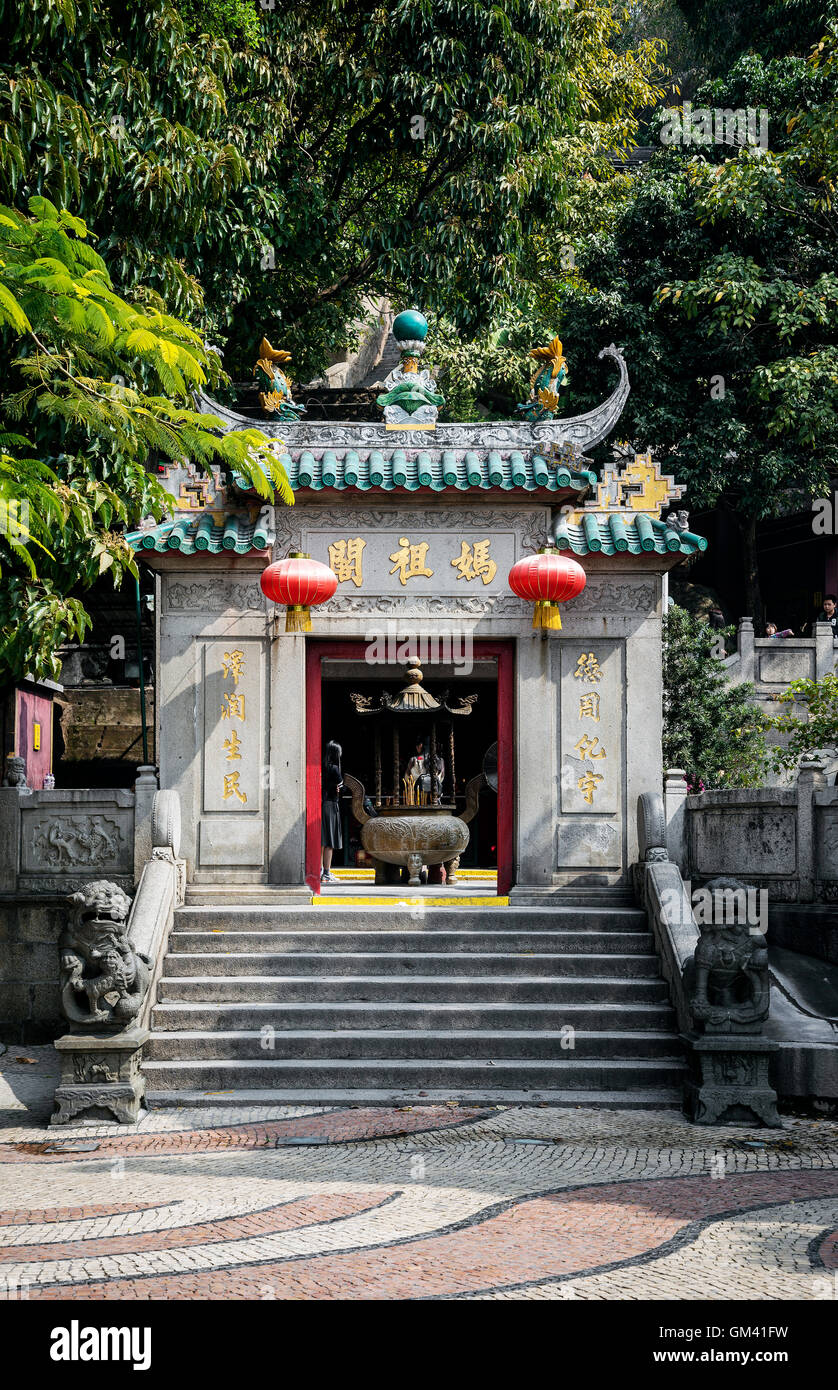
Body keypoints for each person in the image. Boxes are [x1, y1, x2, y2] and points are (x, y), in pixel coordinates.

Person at [321, 740, 343, 883]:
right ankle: (327, 873)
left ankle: (320, 871)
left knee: (322, 841)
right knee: (329, 841)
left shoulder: (322, 767)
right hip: (331, 805)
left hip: (322, 805)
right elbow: (341, 784)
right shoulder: (334, 769)